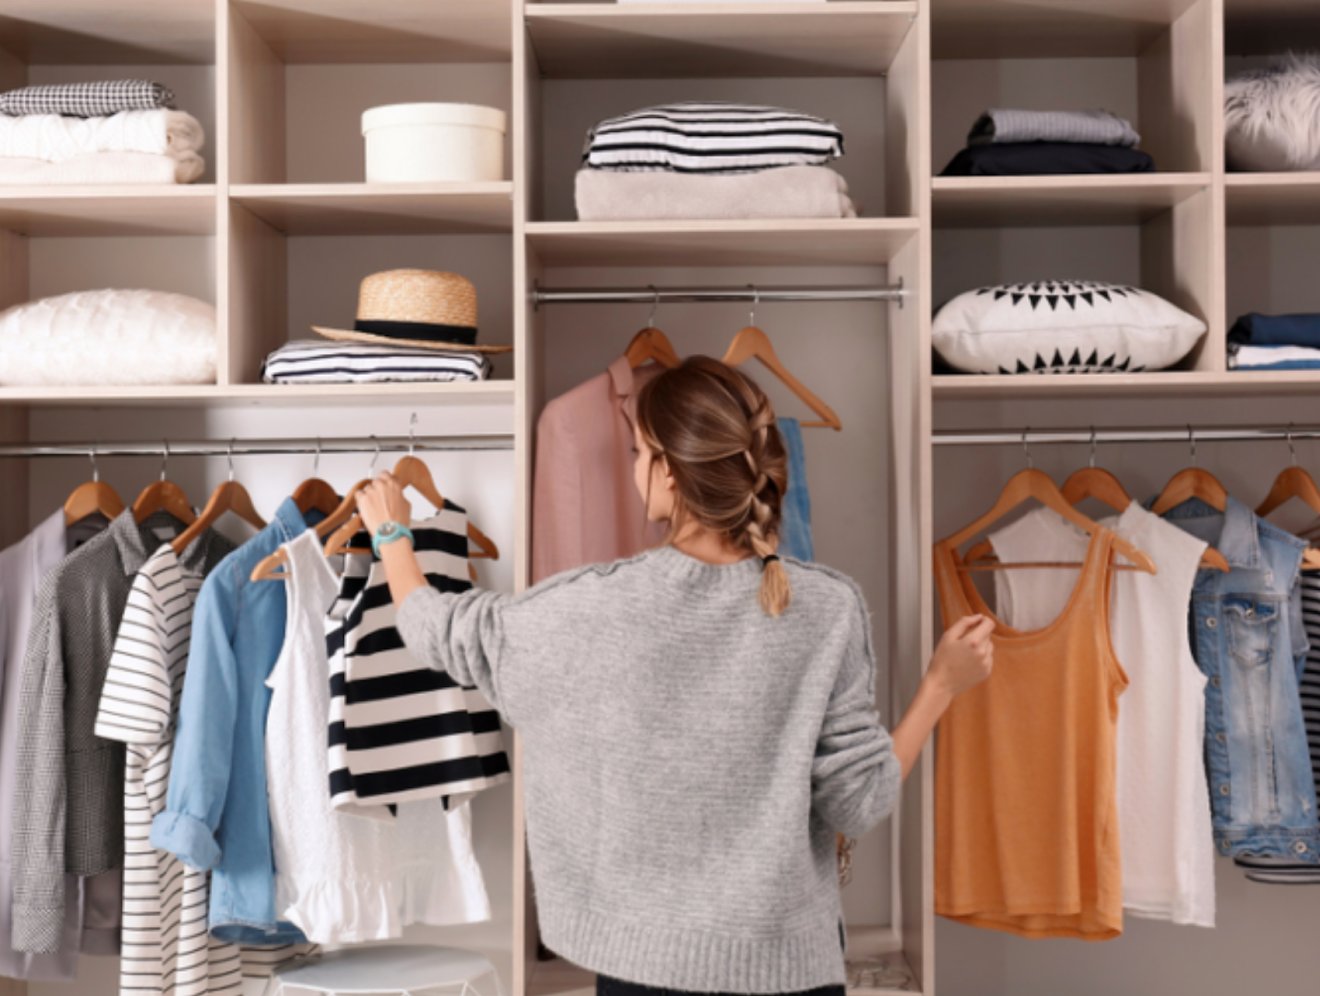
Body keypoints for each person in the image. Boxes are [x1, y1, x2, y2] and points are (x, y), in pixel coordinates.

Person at [358, 356, 994, 996]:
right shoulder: (828, 608)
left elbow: (436, 628)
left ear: (666, 469)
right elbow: (858, 801)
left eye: (639, 452)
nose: (635, 468)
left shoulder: (591, 606)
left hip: (643, 972)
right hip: (791, 970)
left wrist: (392, 534)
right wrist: (939, 684)